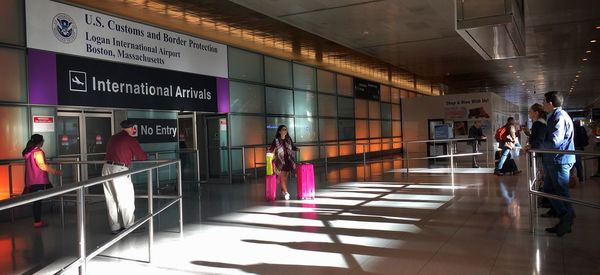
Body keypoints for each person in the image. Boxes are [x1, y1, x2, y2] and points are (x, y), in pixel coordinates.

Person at [102, 119, 147, 234]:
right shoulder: (130, 139)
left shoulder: (113, 137)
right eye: (134, 129)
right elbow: (142, 157)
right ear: (132, 129)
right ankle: (129, 226)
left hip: (106, 168)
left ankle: (115, 227)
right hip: (119, 170)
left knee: (111, 199)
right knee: (125, 199)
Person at [541, 91, 575, 237]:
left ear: (550, 103)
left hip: (559, 160)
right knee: (549, 190)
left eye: (544, 102)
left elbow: (555, 141)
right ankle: (564, 218)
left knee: (561, 192)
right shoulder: (556, 116)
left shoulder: (559, 117)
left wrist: (538, 145)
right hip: (555, 160)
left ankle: (567, 219)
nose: (543, 105)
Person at [22, 134, 61, 228]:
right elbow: (42, 165)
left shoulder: (29, 152)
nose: (43, 142)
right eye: (43, 140)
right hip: (40, 181)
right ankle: (38, 221)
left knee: (43, 198)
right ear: (40, 142)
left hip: (32, 181)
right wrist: (55, 171)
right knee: (39, 201)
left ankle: (39, 220)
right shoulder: (38, 152)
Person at [268, 125, 299, 200]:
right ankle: (286, 192)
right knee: (282, 177)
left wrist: (296, 149)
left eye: (286, 129)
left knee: (285, 177)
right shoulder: (276, 140)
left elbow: (293, 146)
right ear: (279, 131)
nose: (285, 131)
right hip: (280, 161)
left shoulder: (288, 139)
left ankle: (282, 190)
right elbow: (271, 148)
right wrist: (269, 153)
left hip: (288, 160)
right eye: (283, 129)